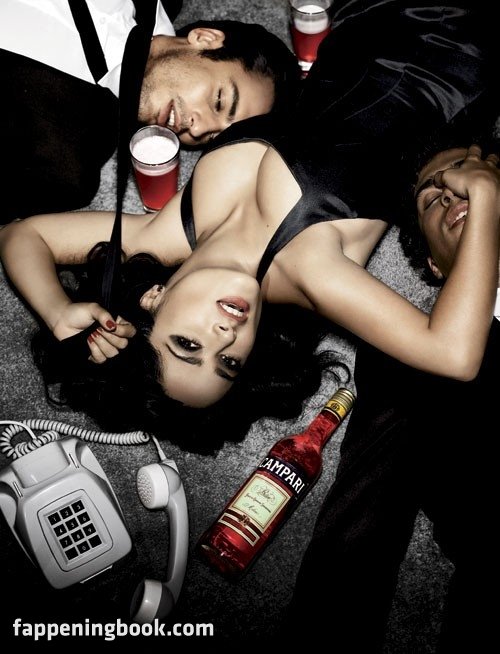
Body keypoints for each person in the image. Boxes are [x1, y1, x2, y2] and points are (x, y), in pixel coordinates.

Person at [0, 1, 498, 453]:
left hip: (361, 20)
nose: (225, 337)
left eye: (189, 345)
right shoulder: (309, 270)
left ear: (153, 299)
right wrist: (486, 197)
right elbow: (452, 354)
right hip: (461, 43)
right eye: (230, 363)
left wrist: (58, 312)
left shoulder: (166, 233)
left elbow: (22, 235)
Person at [280, 135, 500, 652]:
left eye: (465, 170)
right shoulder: (409, 365)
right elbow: (357, 538)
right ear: (435, 268)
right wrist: (486, 194)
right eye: (431, 200)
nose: (452, 192)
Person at [0, 0, 298, 222]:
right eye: (219, 101)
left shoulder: (62, 159)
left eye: (213, 137)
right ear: (205, 39)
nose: (197, 129)